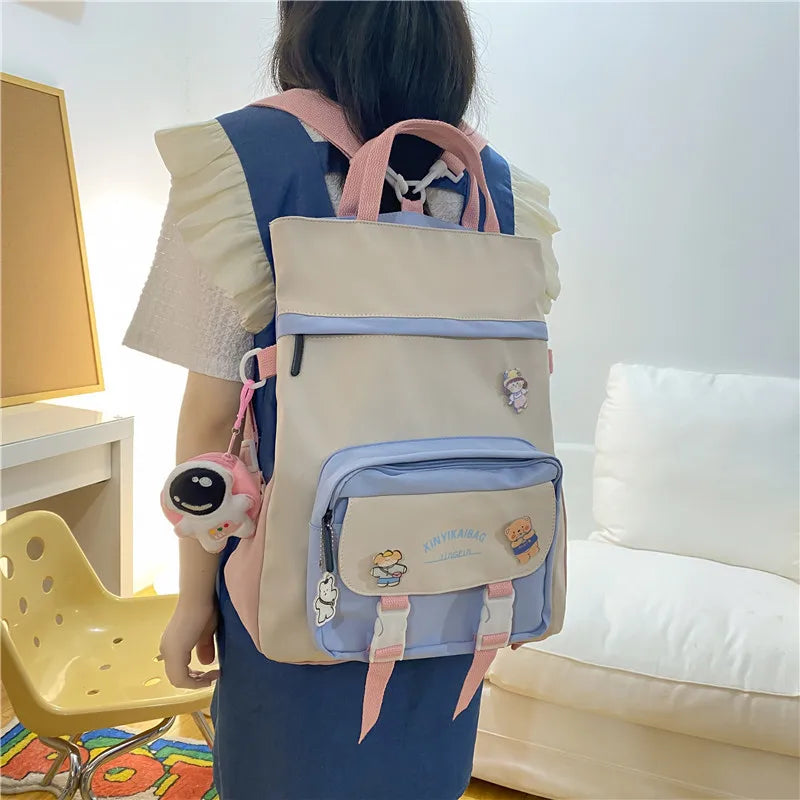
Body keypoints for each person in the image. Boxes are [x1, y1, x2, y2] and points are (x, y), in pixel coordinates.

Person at [125, 2, 561, 797]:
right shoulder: (495, 187)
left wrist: (192, 598)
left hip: (297, 584)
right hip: (465, 574)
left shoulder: (240, 165)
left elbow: (212, 423)